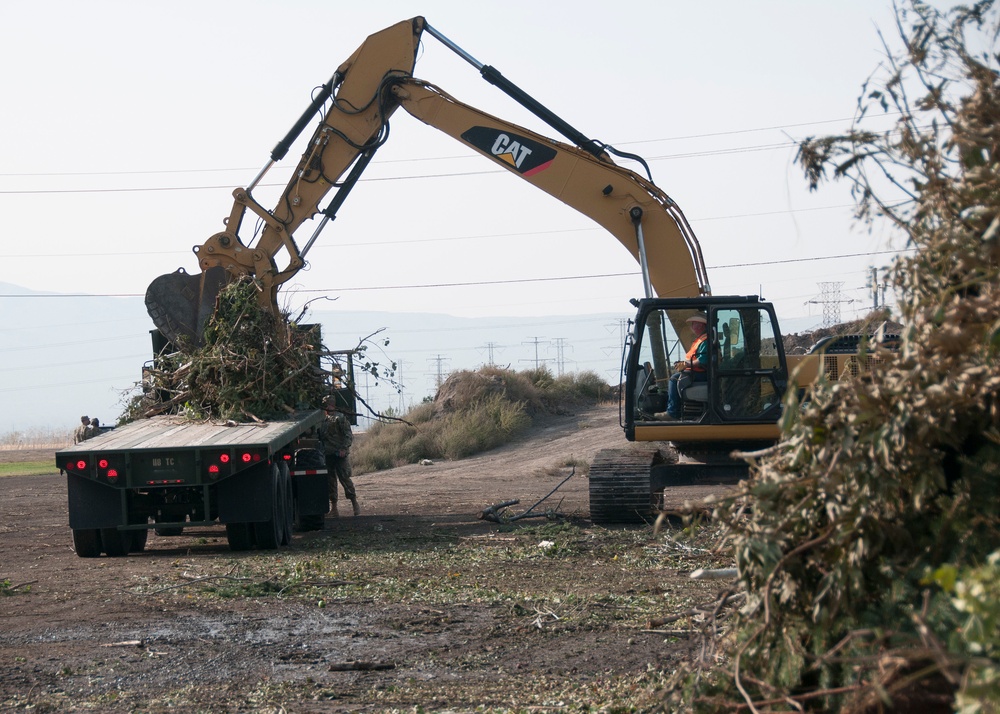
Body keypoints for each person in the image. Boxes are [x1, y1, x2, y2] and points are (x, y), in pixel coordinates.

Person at [318, 399, 360, 517]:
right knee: (330, 482)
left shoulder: (339, 418)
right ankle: (334, 508)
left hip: (339, 454)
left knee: (345, 479)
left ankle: (354, 503)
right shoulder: (322, 420)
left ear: (332, 405)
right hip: (327, 454)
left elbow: (348, 435)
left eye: (327, 405)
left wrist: (343, 448)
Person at [666, 313, 709, 419]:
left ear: (700, 326)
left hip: (702, 373)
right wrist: (683, 363)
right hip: (698, 371)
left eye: (694, 324)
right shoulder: (701, 339)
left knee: (674, 379)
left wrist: (686, 364)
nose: (692, 327)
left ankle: (672, 412)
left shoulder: (705, 340)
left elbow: (703, 360)